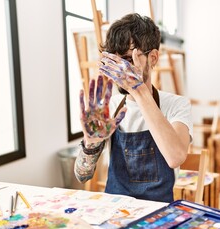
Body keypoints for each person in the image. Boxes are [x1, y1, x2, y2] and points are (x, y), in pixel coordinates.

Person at [74, 13, 193, 202]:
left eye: (128, 60)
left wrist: (138, 90)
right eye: (115, 61)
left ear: (153, 58)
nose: (121, 71)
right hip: (115, 211)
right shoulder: (111, 107)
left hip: (158, 213)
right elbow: (82, 175)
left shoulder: (176, 105)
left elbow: (175, 157)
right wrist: (91, 143)